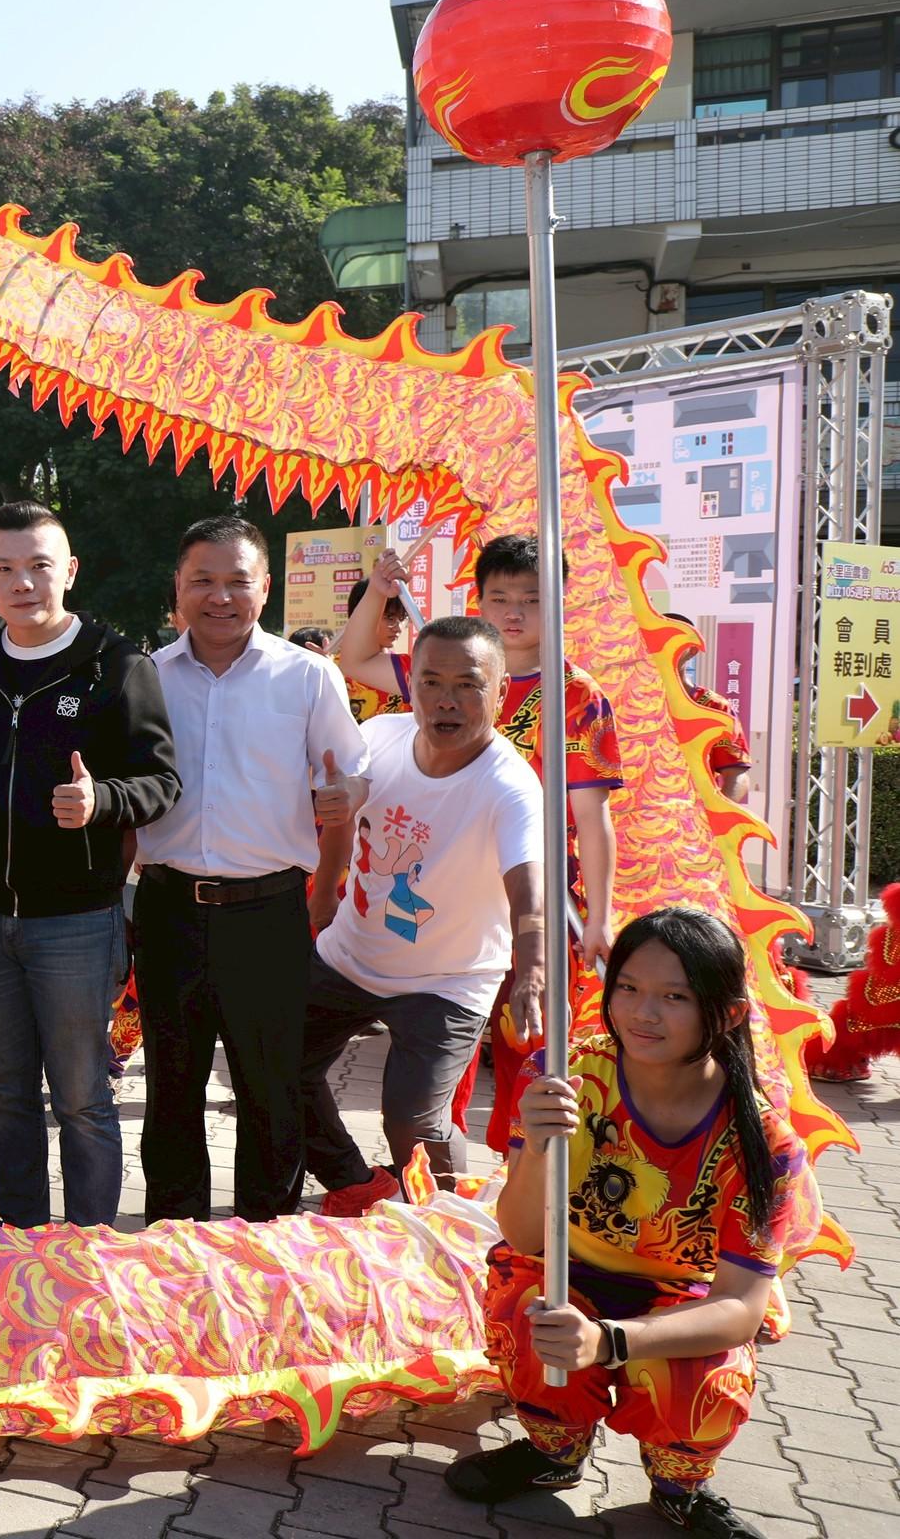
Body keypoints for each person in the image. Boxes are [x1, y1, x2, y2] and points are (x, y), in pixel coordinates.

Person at [445, 908, 821, 1539]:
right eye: (629, 988)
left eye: (674, 996)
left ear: (727, 1012)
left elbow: (738, 1307)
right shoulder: (560, 1077)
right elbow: (523, 1235)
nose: (643, 1014)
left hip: (680, 1294)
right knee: (527, 1311)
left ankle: (678, 1484)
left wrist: (611, 1341)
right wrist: (536, 1148)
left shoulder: (765, 1141)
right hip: (570, 1267)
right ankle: (553, 1452)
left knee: (711, 1374)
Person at [337, 532, 623, 1152]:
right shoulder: (446, 670)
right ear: (479, 602)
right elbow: (356, 658)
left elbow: (592, 814)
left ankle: (526, 1174)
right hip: (452, 886)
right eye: (499, 598)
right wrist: (380, 592)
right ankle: (448, 1174)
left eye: (532, 598)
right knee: (452, 1045)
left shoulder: (577, 696)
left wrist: (600, 915)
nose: (515, 612)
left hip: (538, 897)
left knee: (535, 1043)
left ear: (561, 604)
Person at [0, 502, 178, 1229]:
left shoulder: (116, 664)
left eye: (39, 565)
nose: (23, 582)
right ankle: (18, 1242)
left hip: (75, 921)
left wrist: (101, 800)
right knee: (6, 1094)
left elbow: (162, 781)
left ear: (68, 571)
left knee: (80, 1098)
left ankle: (90, 1248)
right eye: (5, 568)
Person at [135, 515, 367, 1224]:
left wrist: (341, 796)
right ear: (178, 588)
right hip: (168, 908)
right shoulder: (146, 677)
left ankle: (265, 1244)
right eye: (203, 580)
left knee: (269, 1090)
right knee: (171, 1088)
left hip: (267, 914)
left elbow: (352, 773)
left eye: (238, 581)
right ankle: (173, 1242)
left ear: (264, 588)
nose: (220, 597)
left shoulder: (307, 676)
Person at [300, 617, 545, 1215]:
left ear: (500, 691)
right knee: (273, 1066)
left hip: (448, 983)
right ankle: (358, 1185)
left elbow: (529, 896)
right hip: (349, 958)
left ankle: (451, 1231)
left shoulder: (509, 786)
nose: (446, 701)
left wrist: (533, 971)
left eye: (468, 684)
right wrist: (326, 892)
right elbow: (344, 808)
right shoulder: (380, 735)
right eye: (431, 682)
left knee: (414, 1121)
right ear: (411, 687)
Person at [665, 612, 753, 806]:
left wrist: (717, 815)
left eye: (675, 639)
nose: (665, 647)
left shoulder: (713, 707)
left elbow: (736, 774)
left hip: (690, 823)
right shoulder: (626, 702)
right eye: (658, 639)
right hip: (632, 825)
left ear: (693, 650)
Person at [341, 578, 410, 724]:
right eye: (390, 617)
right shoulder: (333, 669)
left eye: (402, 618)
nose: (398, 628)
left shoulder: (405, 668)